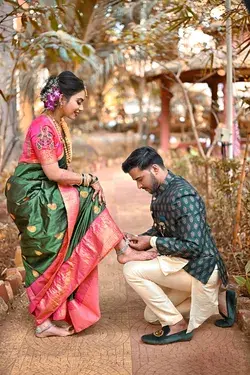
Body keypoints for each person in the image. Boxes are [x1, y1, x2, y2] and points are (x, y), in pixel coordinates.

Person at [5, 72, 157, 338]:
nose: (81, 107)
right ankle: (122, 248)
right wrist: (89, 179)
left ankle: (45, 321)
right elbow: (53, 173)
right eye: (78, 101)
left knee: (79, 223)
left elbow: (64, 170)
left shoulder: (57, 124)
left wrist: (86, 182)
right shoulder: (42, 126)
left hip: (44, 191)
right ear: (61, 98)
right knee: (83, 203)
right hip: (32, 196)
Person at [121, 146, 236, 345]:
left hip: (202, 268)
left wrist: (152, 242)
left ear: (155, 169)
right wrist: (141, 238)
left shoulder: (183, 196)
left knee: (132, 270)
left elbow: (193, 245)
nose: (139, 186)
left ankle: (176, 326)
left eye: (140, 179)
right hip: (185, 266)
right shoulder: (160, 192)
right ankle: (219, 301)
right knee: (152, 316)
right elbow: (163, 228)